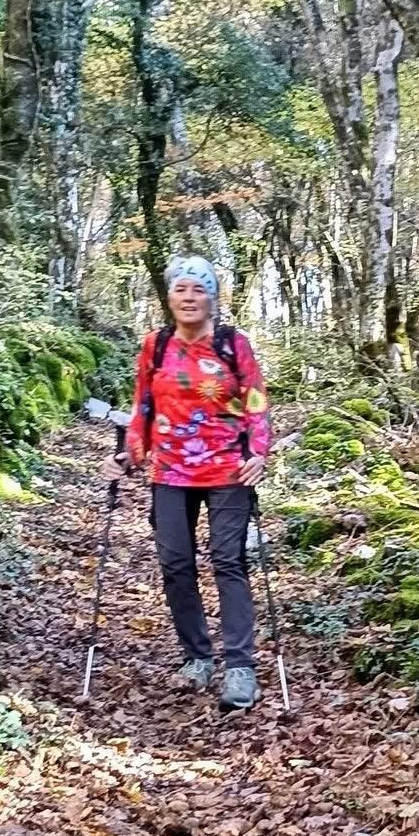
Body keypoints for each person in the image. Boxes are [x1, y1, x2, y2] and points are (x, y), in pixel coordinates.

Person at [103, 255, 271, 710]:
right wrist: (129, 455)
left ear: (213, 298)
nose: (190, 297)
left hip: (227, 470)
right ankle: (197, 656)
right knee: (175, 563)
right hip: (170, 470)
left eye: (199, 289)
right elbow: (142, 407)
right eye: (181, 289)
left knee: (227, 561)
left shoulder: (232, 344)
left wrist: (258, 453)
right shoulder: (155, 346)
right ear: (170, 297)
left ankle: (239, 667)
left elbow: (255, 401)